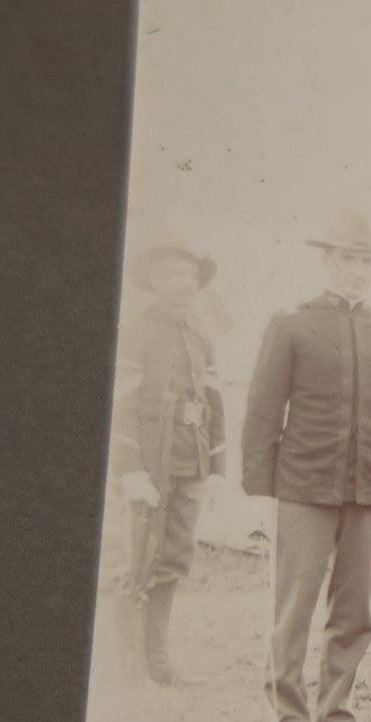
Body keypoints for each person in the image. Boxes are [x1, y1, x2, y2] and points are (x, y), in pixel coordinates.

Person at [242, 210, 371, 722]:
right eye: (349, 259)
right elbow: (264, 408)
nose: (359, 271)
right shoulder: (291, 325)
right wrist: (261, 490)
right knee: (293, 610)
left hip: (370, 491)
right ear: (327, 261)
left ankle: (335, 719)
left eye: (368, 261)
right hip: (304, 487)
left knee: (355, 612)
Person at [109, 238, 226, 685]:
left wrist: (215, 469)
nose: (184, 285)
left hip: (189, 463)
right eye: (174, 276)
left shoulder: (199, 333)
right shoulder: (137, 329)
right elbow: (120, 402)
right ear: (155, 281)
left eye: (191, 277)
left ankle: (157, 661)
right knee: (139, 558)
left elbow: (214, 402)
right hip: (149, 465)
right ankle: (130, 665)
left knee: (175, 557)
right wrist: (130, 468)